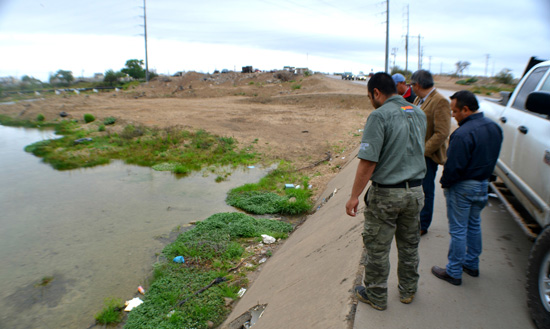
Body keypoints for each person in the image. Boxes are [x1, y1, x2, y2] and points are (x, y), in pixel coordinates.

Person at [346, 72, 427, 310]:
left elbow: (368, 162)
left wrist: (354, 196)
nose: (370, 100)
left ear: (377, 93)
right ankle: (408, 291)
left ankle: (376, 296)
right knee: (409, 246)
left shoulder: (379, 116)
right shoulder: (418, 112)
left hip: (387, 195)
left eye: (370, 95)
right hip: (415, 192)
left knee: (377, 248)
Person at [431, 90, 503, 285]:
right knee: (473, 225)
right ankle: (471, 263)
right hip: (482, 184)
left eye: (455, 111)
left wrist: (445, 184)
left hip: (462, 187)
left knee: (458, 229)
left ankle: (453, 271)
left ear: (466, 109)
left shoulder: (462, 134)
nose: (453, 115)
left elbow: (453, 166)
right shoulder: (494, 128)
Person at [411, 70, 451, 235]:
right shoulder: (419, 99)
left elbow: (442, 132)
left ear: (418, 85)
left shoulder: (440, 101)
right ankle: (414, 220)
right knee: (415, 189)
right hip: (415, 153)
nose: (411, 87)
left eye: (412, 84)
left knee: (426, 190)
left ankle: (423, 224)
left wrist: (423, 151)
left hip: (427, 156)